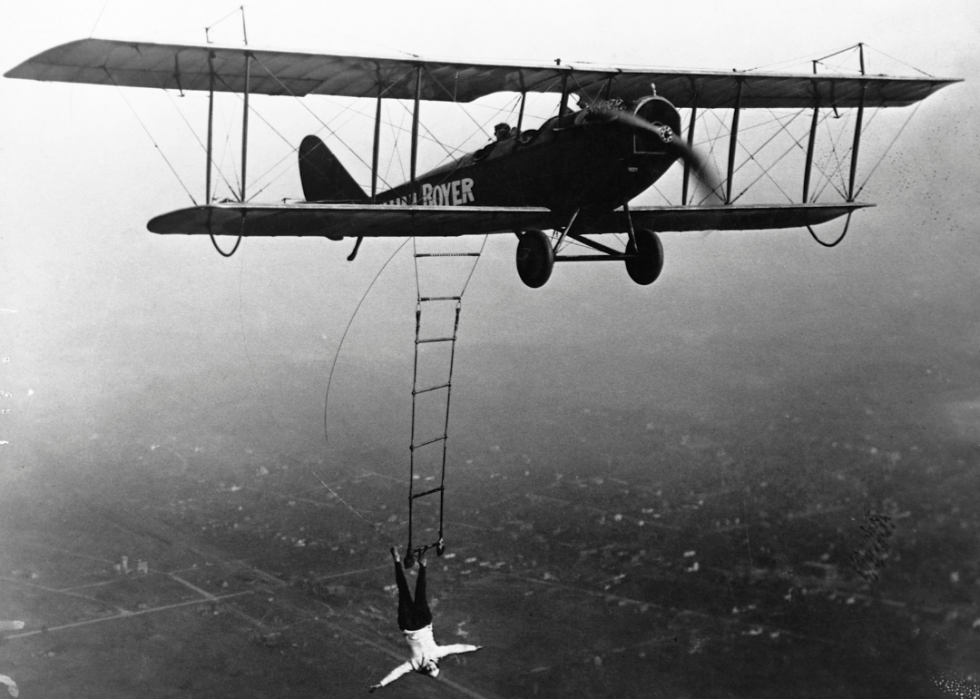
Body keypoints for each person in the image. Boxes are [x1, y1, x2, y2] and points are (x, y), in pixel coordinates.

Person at [369, 547, 482, 691]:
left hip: (408, 625)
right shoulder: (437, 653)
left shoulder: (415, 664)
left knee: (403, 591)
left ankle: (396, 560)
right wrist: (474, 647)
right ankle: (423, 565)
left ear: (425, 670)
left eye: (428, 670)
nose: (429, 667)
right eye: (433, 668)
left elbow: (397, 672)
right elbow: (457, 648)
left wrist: (381, 684)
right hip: (424, 622)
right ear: (436, 665)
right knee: (420, 591)